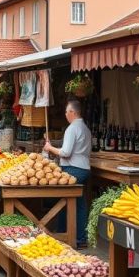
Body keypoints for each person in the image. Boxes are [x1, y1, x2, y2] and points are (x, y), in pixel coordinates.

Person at [44, 100, 92, 246]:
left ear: (72, 112)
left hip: (73, 169)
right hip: (84, 169)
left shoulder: (72, 128)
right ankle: (81, 237)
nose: (65, 115)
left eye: (66, 112)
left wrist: (49, 148)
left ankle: (63, 234)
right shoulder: (85, 128)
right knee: (80, 203)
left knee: (64, 200)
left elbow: (66, 152)